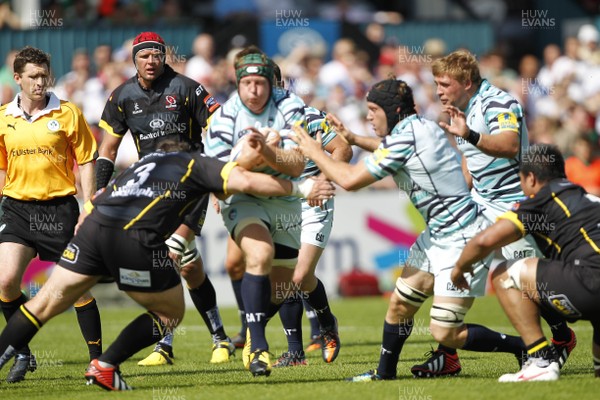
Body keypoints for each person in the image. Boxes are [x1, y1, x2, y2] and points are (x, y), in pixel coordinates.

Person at [0, 139, 335, 391]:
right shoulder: (193, 164)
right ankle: (105, 366)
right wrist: (302, 186)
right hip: (131, 237)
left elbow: (97, 201)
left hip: (92, 230)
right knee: (170, 313)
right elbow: (245, 182)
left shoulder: (139, 166)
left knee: (42, 304)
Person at [292, 78, 526, 382]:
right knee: (400, 304)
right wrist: (351, 137)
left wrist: (314, 151)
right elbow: (388, 147)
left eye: (374, 110)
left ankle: (525, 348)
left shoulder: (406, 138)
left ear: (392, 110)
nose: (369, 117)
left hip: (463, 238)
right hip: (439, 235)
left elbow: (348, 180)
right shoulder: (417, 126)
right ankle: (384, 374)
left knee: (446, 332)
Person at [405, 49, 576, 376]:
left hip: (517, 206)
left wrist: (467, 134)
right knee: (454, 265)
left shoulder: (498, 102)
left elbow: (510, 145)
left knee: (529, 285)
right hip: (482, 207)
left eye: (444, 84)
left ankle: (562, 337)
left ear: (466, 82)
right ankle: (448, 354)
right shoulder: (463, 107)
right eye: (436, 84)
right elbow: (470, 156)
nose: (438, 91)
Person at [95, 31, 233, 366]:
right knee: (189, 267)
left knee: (168, 256)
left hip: (190, 185)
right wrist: (99, 189)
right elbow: (108, 149)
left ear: (164, 57)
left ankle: (164, 344)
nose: (151, 61)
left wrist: (217, 182)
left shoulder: (187, 88)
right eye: (144, 56)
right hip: (151, 192)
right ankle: (220, 337)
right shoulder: (121, 96)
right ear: (135, 60)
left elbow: (218, 131)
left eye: (156, 55)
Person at [223, 62, 353, 367]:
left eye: (274, 84)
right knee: (281, 277)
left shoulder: (306, 115)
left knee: (299, 275)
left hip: (313, 201)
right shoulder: (245, 119)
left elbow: (342, 148)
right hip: (278, 200)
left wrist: (324, 178)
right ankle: (295, 352)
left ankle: (325, 324)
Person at [450, 144, 600, 382]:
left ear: (530, 178)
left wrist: (459, 269)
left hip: (589, 283)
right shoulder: (586, 196)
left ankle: (540, 361)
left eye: (520, 178)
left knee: (503, 274)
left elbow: (484, 241)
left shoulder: (539, 201)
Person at [204, 45, 309, 377]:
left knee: (281, 286)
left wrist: (266, 153)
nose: (254, 90)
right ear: (237, 84)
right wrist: (247, 161)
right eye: (247, 84)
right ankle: (258, 347)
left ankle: (254, 327)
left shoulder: (290, 106)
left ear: (271, 83)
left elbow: (296, 165)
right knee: (259, 254)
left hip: (285, 199)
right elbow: (218, 177)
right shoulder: (224, 116)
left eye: (260, 84)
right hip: (244, 197)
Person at [0, 46, 101, 383]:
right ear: (18, 79)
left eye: (44, 75)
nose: (41, 82)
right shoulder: (3, 117)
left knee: (78, 290)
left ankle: (98, 362)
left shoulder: (69, 113)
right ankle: (23, 353)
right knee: (5, 282)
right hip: (16, 209)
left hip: (59, 211)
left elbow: (86, 159)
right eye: (33, 76)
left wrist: (88, 205)